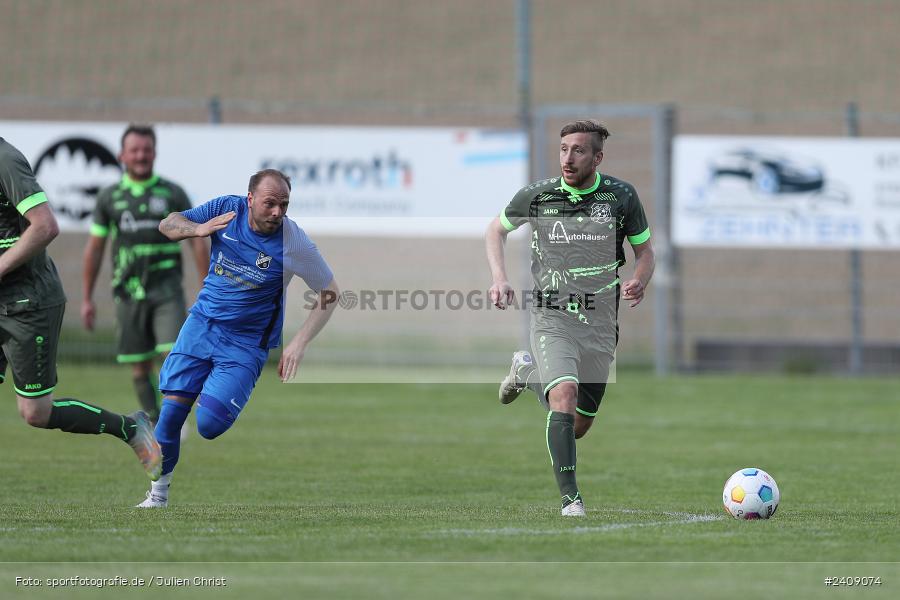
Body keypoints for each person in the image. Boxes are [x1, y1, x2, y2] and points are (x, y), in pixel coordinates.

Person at [135, 168, 338, 508]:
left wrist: (299, 342)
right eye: (270, 203)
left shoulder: (293, 241)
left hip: (245, 344)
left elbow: (329, 292)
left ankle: (206, 390)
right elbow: (168, 223)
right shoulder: (227, 210)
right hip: (201, 326)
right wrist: (197, 229)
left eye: (284, 205)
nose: (277, 212)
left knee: (209, 425)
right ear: (250, 199)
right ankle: (158, 496)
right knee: (169, 416)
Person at [485, 120, 655, 516]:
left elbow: (645, 253)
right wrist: (499, 278)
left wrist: (639, 280)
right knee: (563, 397)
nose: (568, 157)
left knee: (577, 425)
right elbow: (495, 230)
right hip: (552, 314)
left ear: (597, 157)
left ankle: (526, 374)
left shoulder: (620, 197)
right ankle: (571, 501)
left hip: (599, 322)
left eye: (578, 150)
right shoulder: (539, 196)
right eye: (563, 149)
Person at [0, 136, 161, 481]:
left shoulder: (5, 160)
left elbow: (45, 226)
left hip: (27, 303)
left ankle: (130, 428)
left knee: (36, 413)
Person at [81, 124, 208, 423]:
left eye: (146, 150)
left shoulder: (173, 194)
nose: (141, 156)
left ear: (155, 153)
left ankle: (174, 419)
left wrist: (207, 285)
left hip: (167, 291)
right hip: (127, 292)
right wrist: (87, 298)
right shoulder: (109, 198)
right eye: (134, 150)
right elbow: (95, 249)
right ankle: (154, 422)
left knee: (175, 355)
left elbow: (198, 242)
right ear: (122, 155)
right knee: (139, 366)